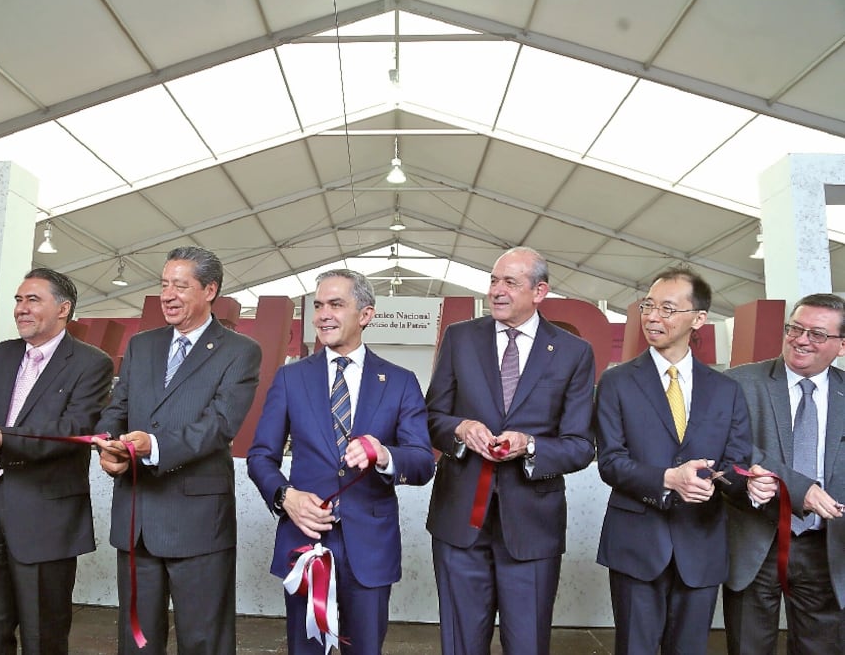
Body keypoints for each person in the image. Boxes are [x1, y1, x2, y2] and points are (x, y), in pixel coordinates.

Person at [247, 269, 435, 654]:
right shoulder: (289, 378)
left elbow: (422, 463)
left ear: (365, 315)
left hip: (370, 549)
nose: (323, 315)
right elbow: (260, 456)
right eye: (318, 306)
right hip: (305, 545)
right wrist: (285, 497)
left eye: (336, 304)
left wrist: (384, 455)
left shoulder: (400, 382)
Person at [425, 246, 596, 655]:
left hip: (533, 527)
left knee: (528, 644)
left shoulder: (573, 353)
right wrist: (461, 429)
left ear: (540, 291)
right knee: (461, 645)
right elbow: (430, 417)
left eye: (510, 283)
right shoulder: (460, 338)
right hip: (459, 522)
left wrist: (531, 445)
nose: (497, 291)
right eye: (493, 280)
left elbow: (579, 446)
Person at [94, 246, 261, 655]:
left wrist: (155, 446)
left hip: (198, 522)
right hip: (137, 519)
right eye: (164, 284)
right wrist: (106, 442)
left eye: (180, 286)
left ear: (209, 290)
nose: (168, 294)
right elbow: (117, 408)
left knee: (203, 640)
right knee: (136, 641)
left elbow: (220, 425)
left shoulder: (240, 351)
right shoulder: (142, 345)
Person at [0, 268, 114, 654]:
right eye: (18, 300)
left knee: (42, 635)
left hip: (46, 518)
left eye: (32, 299)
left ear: (63, 309)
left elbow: (76, 428)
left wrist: (3, 439)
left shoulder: (91, 363)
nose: (21, 308)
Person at [595, 266, 752, 655]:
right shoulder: (616, 383)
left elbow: (736, 464)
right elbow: (610, 461)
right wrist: (668, 478)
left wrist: (746, 481)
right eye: (648, 305)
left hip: (701, 543)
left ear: (698, 319)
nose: (652, 316)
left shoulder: (726, 390)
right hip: (636, 544)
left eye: (667, 308)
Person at [723, 293, 845, 654]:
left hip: (826, 548)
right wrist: (796, 488)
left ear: (841, 345)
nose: (802, 339)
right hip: (755, 542)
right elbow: (727, 449)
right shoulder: (739, 384)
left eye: (818, 334)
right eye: (795, 328)